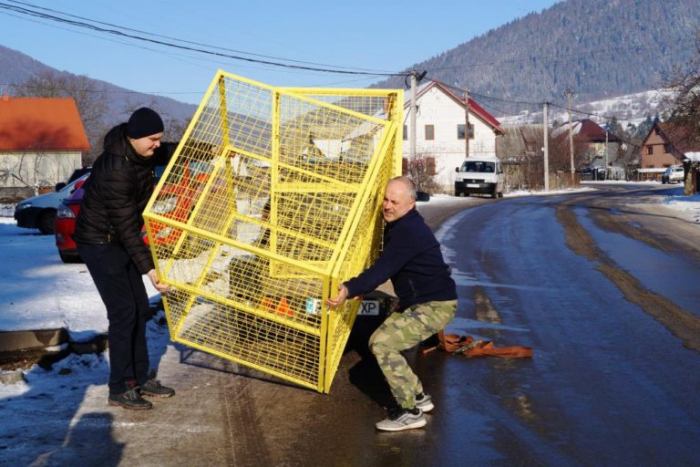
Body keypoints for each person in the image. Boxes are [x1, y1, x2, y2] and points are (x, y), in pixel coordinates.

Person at [326, 176, 457, 432]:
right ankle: (418, 396)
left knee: (382, 344)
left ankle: (409, 411)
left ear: (410, 204)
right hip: (421, 302)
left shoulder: (408, 232)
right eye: (385, 199)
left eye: (394, 201)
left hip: (434, 305)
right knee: (380, 340)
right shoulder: (402, 225)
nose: (387, 205)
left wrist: (351, 287)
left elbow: (383, 269)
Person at [75, 108, 176, 410]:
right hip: (100, 243)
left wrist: (211, 150)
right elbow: (128, 228)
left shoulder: (141, 152)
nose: (157, 144)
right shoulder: (116, 169)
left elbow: (172, 150)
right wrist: (150, 269)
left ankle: (139, 378)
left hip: (118, 239)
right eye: (152, 139)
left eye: (159, 138)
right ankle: (120, 387)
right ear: (133, 137)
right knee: (123, 312)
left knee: (140, 308)